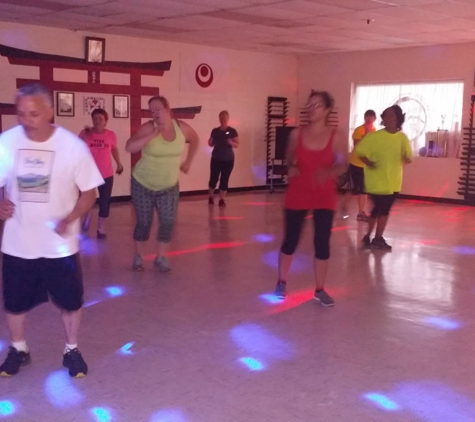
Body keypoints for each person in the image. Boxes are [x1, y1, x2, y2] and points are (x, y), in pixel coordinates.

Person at [0, 83, 103, 378]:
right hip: (18, 240)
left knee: (70, 301)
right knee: (15, 302)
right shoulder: (7, 142)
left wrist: (70, 217)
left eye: (33, 114)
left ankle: (71, 349)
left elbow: (89, 193)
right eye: (20, 114)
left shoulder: (73, 146)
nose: (26, 120)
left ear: (50, 112)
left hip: (60, 244)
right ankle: (19, 348)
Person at [275, 90, 347, 306]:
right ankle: (281, 281)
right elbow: (288, 159)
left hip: (324, 194)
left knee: (322, 241)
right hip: (298, 192)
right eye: (309, 104)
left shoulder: (337, 136)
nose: (311, 108)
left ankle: (320, 289)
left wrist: (329, 172)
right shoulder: (297, 134)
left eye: (316, 105)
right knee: (291, 239)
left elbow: (343, 164)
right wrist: (291, 167)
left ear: (327, 110)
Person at [126, 96, 199, 272]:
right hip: (142, 184)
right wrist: (153, 135)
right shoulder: (148, 128)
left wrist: (188, 161)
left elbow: (195, 139)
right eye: (151, 111)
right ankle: (138, 256)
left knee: (168, 221)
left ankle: (161, 257)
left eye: (157, 109)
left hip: (169, 186)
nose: (154, 113)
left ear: (167, 108)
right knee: (144, 222)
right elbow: (130, 147)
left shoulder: (181, 127)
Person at [356, 105, 413, 250]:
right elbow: (360, 151)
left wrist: (405, 158)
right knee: (382, 209)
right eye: (386, 116)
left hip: (393, 182)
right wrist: (370, 163)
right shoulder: (374, 136)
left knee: (379, 210)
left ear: (398, 119)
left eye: (392, 116)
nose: (388, 119)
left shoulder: (402, 137)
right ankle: (376, 238)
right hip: (377, 182)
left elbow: (409, 157)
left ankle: (370, 237)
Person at [79, 108, 123, 239]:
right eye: (95, 118)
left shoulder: (111, 135)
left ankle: (100, 227)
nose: (97, 121)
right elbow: (77, 148)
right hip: (89, 173)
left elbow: (114, 149)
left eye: (100, 119)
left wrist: (119, 163)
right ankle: (87, 216)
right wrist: (86, 136)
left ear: (106, 121)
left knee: (105, 201)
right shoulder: (85, 133)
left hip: (106, 173)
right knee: (87, 199)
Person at [347, 109, 376, 221]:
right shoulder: (359, 130)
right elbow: (357, 146)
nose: (369, 119)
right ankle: (360, 212)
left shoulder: (374, 130)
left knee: (363, 189)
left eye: (371, 117)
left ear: (374, 119)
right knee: (360, 189)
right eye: (367, 117)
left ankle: (360, 212)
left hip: (366, 165)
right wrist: (367, 134)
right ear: (364, 118)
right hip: (356, 163)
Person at [208, 110, 239, 207]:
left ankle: (222, 199)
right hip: (216, 158)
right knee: (213, 178)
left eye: (225, 117)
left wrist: (231, 143)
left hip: (228, 159)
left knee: (224, 179)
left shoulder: (232, 131)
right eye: (222, 117)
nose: (223, 119)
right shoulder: (215, 131)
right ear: (219, 118)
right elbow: (210, 143)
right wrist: (210, 141)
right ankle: (211, 196)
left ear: (228, 118)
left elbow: (237, 144)